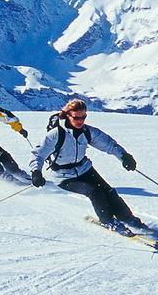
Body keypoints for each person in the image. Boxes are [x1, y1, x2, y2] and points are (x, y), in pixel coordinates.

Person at [29, 98, 142, 231]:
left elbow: (109, 145)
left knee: (109, 191)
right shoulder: (56, 134)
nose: (80, 121)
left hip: (85, 169)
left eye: (83, 117)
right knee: (95, 192)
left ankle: (127, 218)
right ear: (68, 115)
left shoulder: (87, 132)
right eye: (76, 117)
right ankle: (108, 221)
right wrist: (36, 172)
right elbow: (38, 154)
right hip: (64, 177)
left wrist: (124, 156)